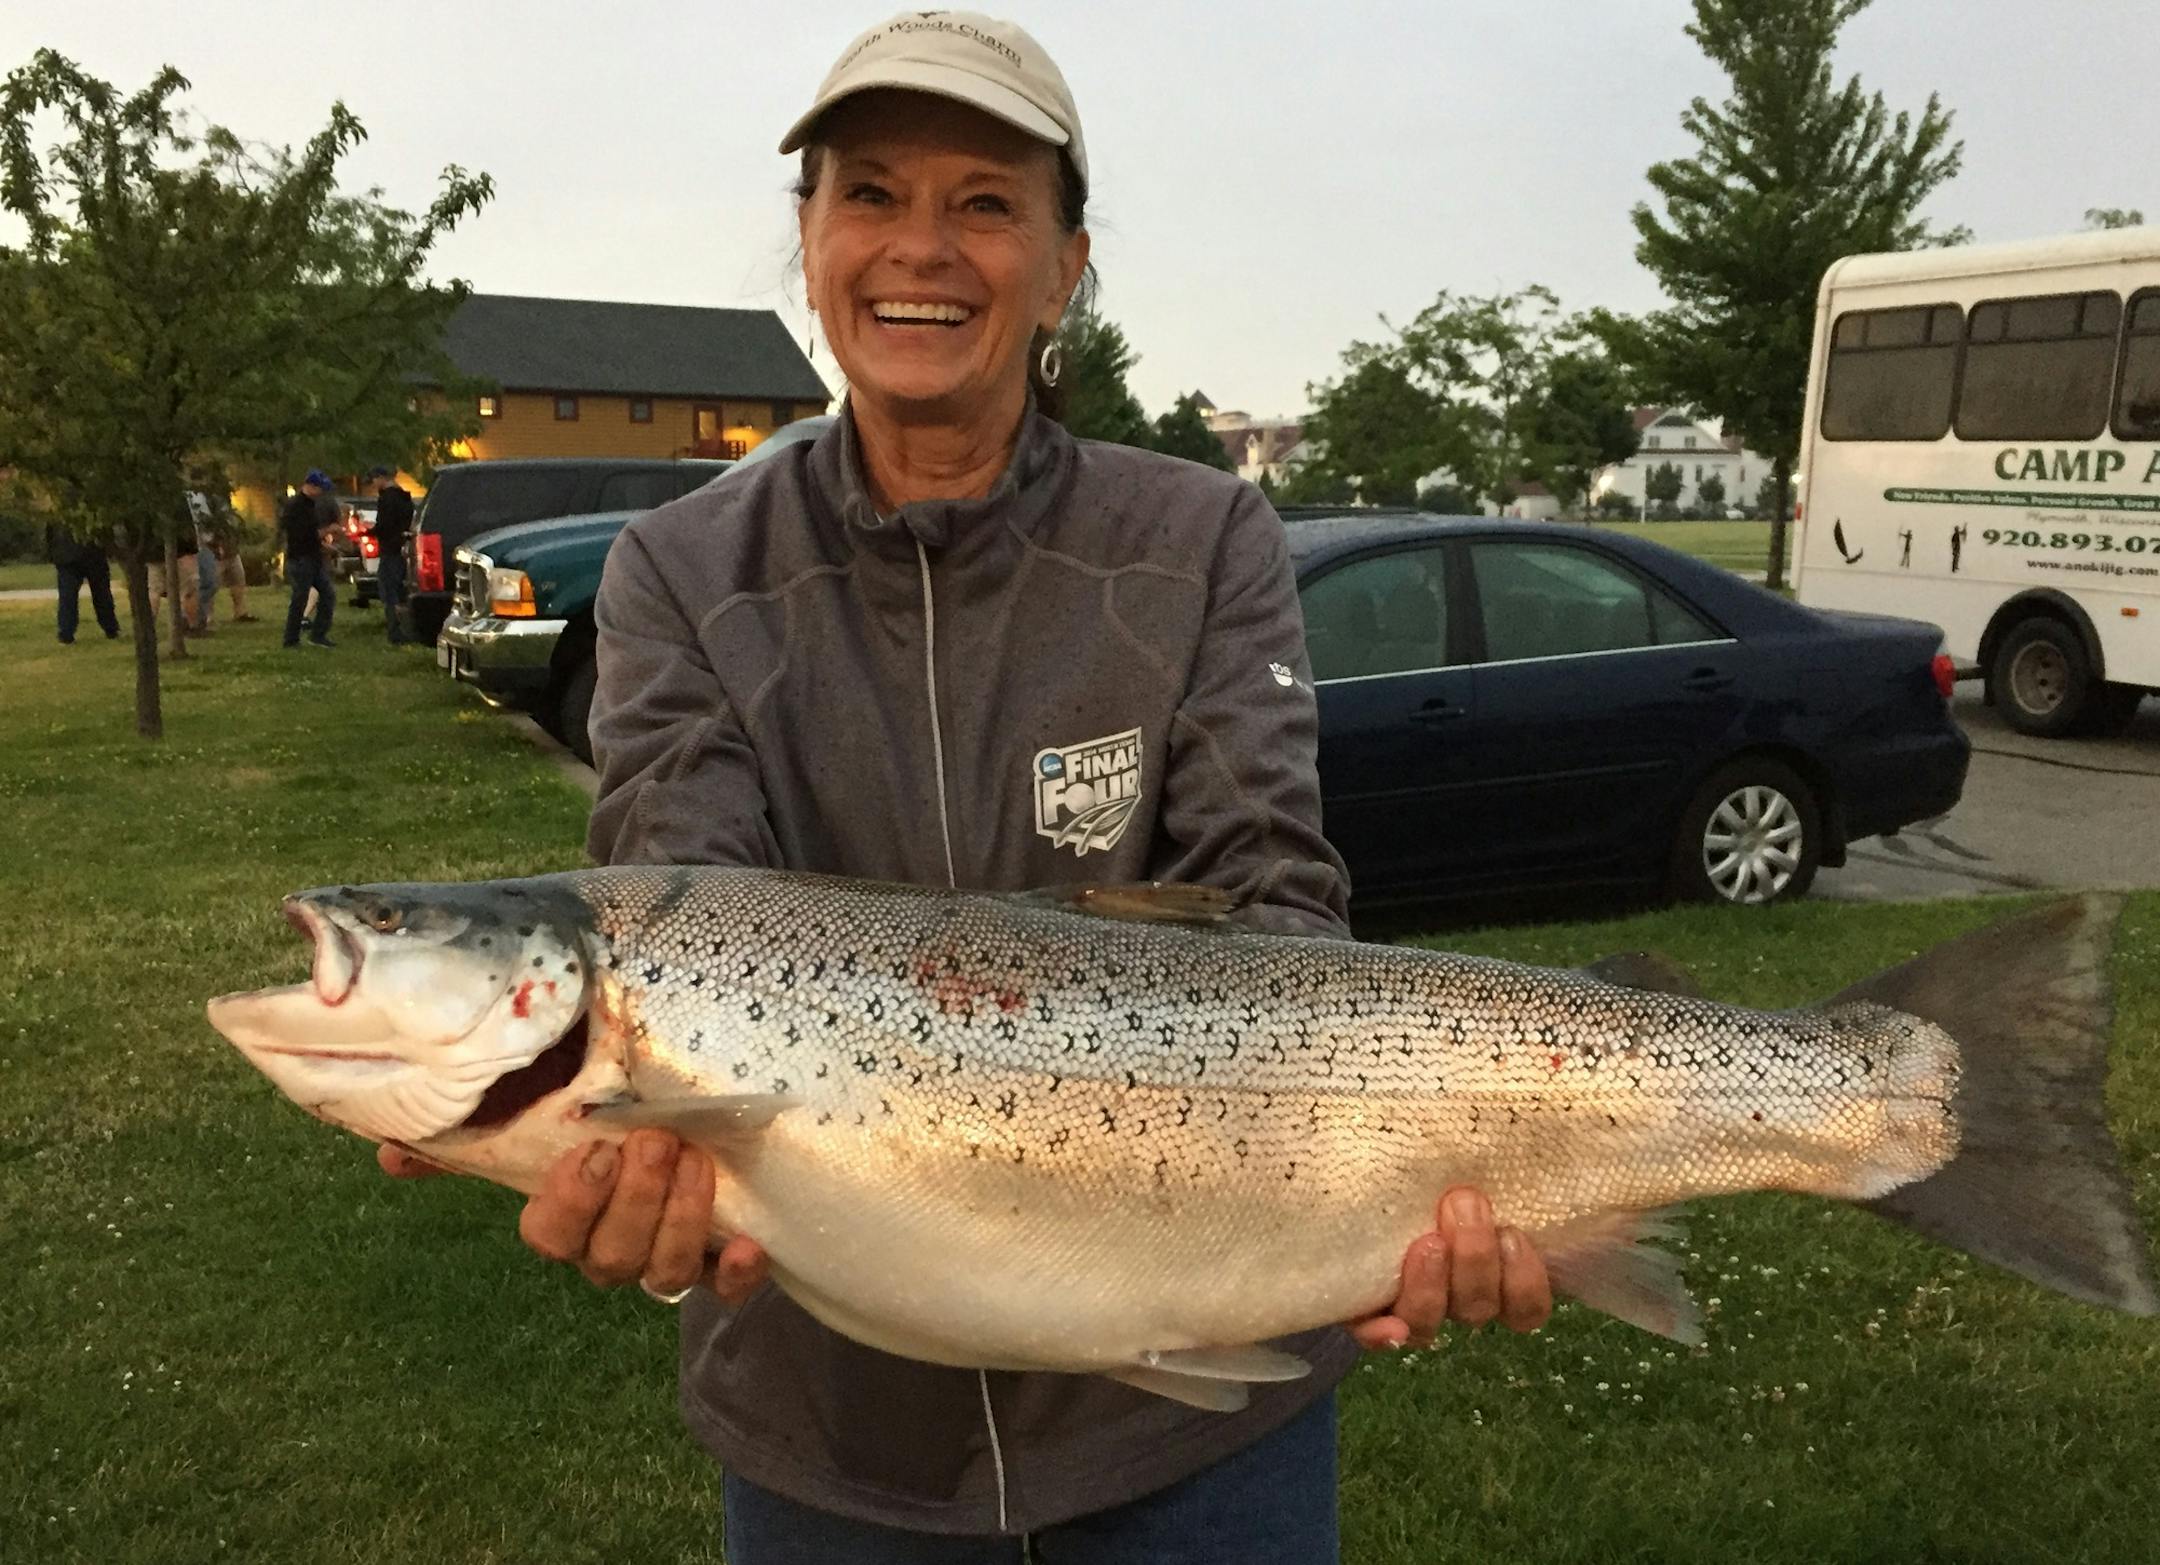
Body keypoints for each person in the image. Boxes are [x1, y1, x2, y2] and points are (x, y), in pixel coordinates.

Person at [382, 12, 1550, 1560]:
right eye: (868, 193)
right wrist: (639, 1155)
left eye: (986, 201)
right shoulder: (679, 570)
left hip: (1205, 1434)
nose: (918, 247)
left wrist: (1421, 1171)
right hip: (828, 1444)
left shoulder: (1201, 540)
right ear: (807, 241)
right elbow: (677, 898)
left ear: (1067, 262)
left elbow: (1274, 901)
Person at [280, 469, 337, 648]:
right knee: (300, 598)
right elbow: (303, 534)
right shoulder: (296, 507)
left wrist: (324, 546)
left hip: (312, 557)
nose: (322, 493)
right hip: (300, 559)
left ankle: (318, 634)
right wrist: (329, 530)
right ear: (310, 486)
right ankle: (291, 639)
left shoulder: (311, 505)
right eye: (320, 488)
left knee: (328, 594)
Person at [49, 521, 120, 644]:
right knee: (100, 593)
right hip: (89, 553)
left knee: (69, 595)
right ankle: (110, 628)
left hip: (69, 554)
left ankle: (66, 632)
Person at [367, 465, 415, 645]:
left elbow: (384, 526)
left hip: (389, 550)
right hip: (402, 550)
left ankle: (395, 632)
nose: (373, 483)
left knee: (388, 592)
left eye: (374, 479)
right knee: (400, 590)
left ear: (381, 478)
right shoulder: (405, 497)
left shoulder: (387, 499)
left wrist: (368, 532)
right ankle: (405, 628)